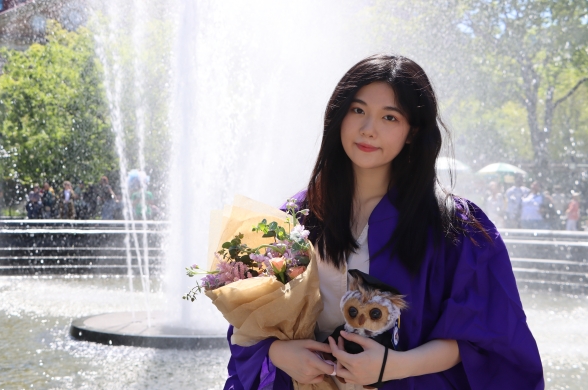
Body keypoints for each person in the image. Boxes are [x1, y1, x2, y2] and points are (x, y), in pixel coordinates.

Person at [224, 55, 543, 389]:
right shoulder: (298, 215)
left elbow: (486, 334)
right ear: (339, 115)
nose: (368, 129)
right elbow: (249, 323)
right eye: (358, 110)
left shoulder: (453, 226)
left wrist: (393, 366)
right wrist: (278, 354)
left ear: (412, 131)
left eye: (389, 117)